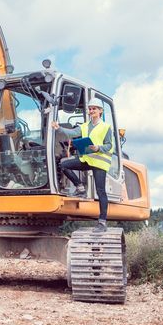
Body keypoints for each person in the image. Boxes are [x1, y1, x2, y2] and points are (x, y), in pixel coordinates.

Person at [52, 99, 113, 231]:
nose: (91, 111)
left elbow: (109, 145)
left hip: (99, 162)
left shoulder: (106, 127)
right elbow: (72, 133)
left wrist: (98, 148)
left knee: (101, 191)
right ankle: (80, 188)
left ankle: (102, 222)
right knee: (64, 165)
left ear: (100, 111)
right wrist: (59, 128)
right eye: (90, 109)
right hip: (87, 159)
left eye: (94, 109)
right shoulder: (85, 126)